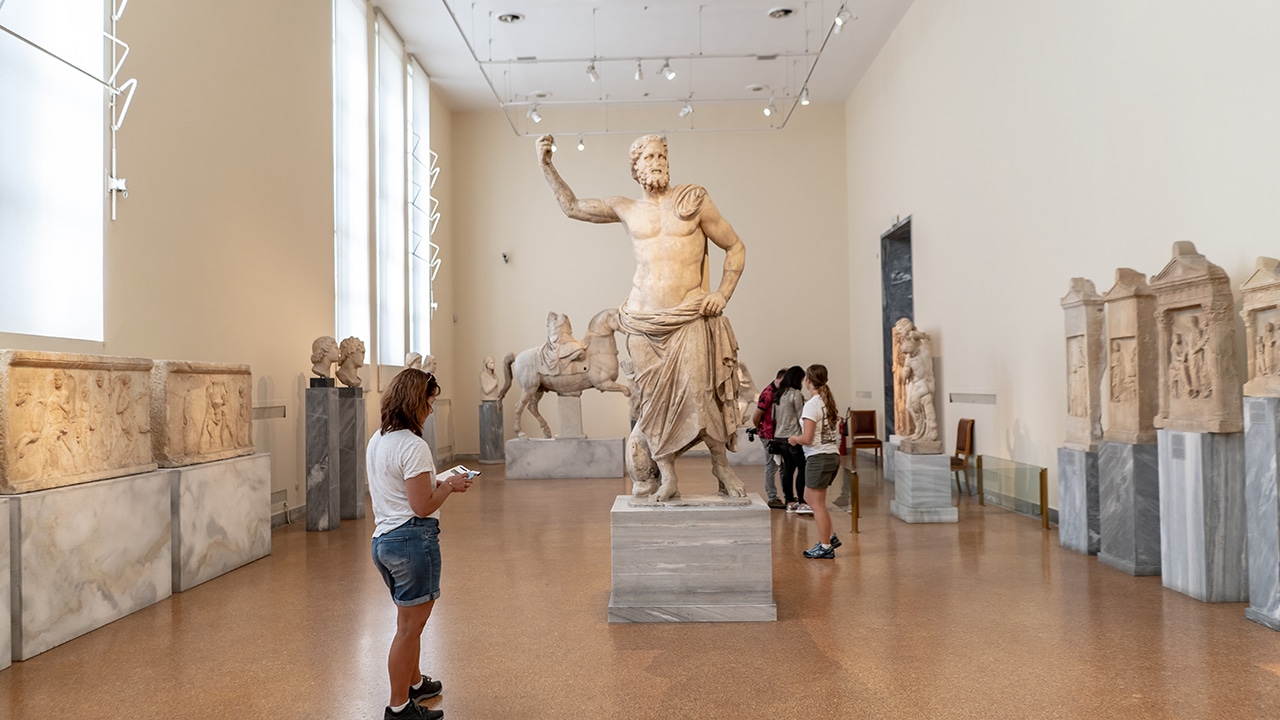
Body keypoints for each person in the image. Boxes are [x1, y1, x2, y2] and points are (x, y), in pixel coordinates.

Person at [537, 133, 747, 502]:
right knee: (652, 403)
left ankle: (720, 466)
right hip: (643, 322)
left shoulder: (692, 201)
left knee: (701, 393)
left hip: (687, 316)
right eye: (648, 156)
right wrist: (547, 166)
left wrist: (722, 294)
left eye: (661, 154)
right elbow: (571, 207)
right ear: (635, 168)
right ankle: (667, 474)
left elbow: (735, 245)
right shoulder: (625, 207)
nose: (657, 161)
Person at [367, 369, 474, 720]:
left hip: (384, 539)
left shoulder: (379, 439)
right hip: (412, 540)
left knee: (408, 621)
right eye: (429, 401)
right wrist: (450, 486)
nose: (431, 409)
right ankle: (398, 707)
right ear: (416, 402)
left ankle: (414, 684)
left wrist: (438, 481)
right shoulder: (414, 446)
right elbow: (423, 505)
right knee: (409, 628)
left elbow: (402, 490)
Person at [788, 364, 842, 559]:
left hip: (819, 457)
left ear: (808, 381)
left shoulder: (812, 404)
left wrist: (795, 438)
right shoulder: (827, 402)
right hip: (830, 456)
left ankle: (825, 546)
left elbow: (808, 438)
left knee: (816, 504)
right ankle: (830, 536)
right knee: (810, 498)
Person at [774, 366, 808, 513]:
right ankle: (802, 500)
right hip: (793, 436)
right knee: (802, 468)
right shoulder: (796, 394)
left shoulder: (779, 394)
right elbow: (801, 417)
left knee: (788, 469)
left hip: (779, 436)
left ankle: (789, 500)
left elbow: (774, 417)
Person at [752, 368, 787, 509]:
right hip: (768, 435)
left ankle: (787, 495)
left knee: (784, 466)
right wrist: (761, 430)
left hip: (779, 434)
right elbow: (756, 416)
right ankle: (772, 497)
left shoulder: (780, 392)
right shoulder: (768, 394)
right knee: (771, 466)